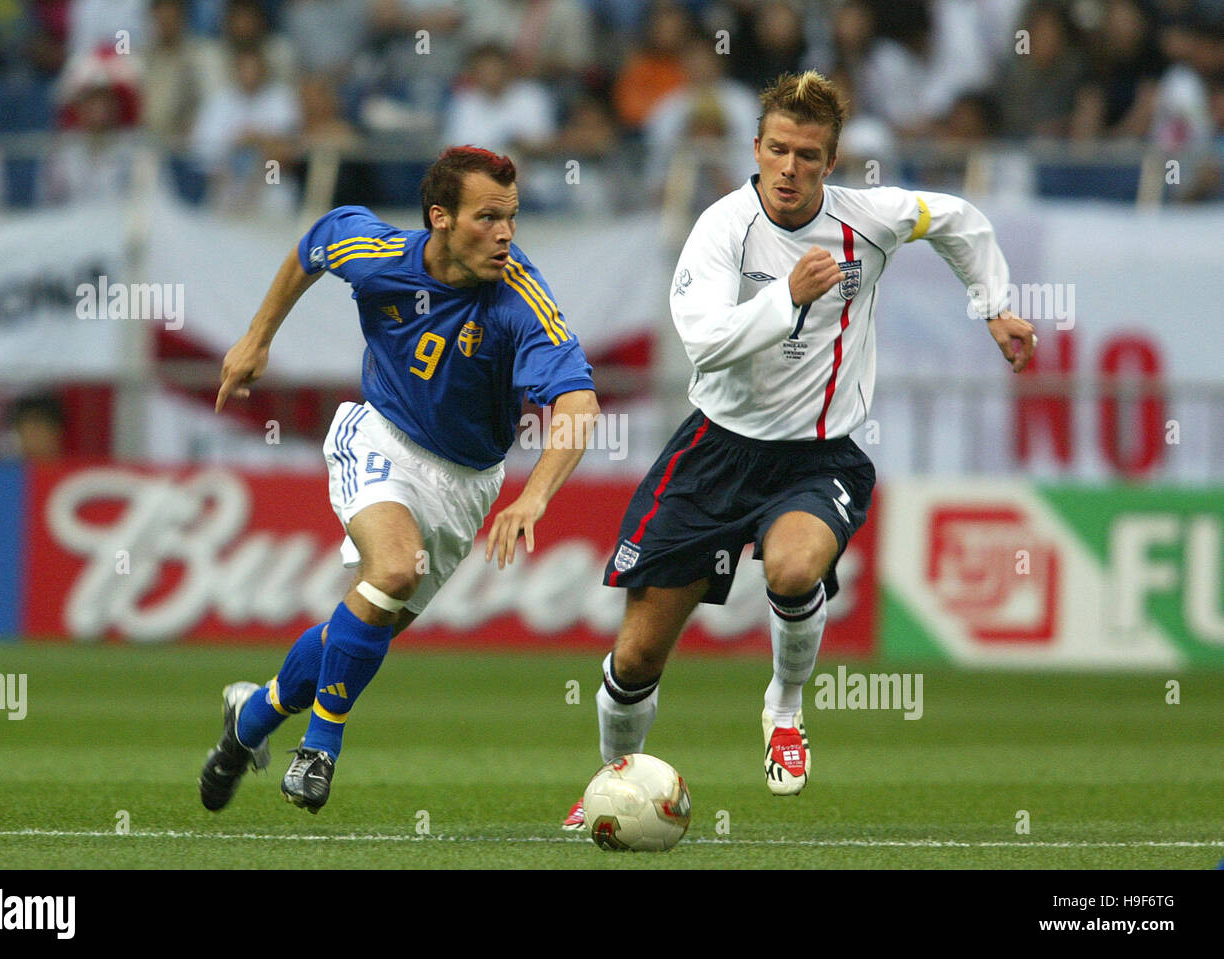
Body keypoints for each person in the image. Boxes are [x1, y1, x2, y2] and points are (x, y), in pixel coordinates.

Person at [562, 70, 1036, 829]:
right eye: (778, 150)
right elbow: (704, 343)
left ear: (831, 162)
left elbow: (956, 219)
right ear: (756, 148)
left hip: (819, 457)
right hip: (715, 453)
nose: (790, 168)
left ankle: (783, 706)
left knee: (792, 566)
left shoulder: (868, 221)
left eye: (808, 156)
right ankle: (607, 788)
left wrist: (996, 307)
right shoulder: (723, 228)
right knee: (636, 660)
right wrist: (788, 297)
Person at [202, 145, 600, 814]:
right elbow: (314, 244)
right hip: (379, 433)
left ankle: (250, 719)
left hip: (467, 483)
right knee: (392, 570)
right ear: (440, 218)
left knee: (361, 624)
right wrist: (257, 337)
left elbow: (579, 403)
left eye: (512, 217)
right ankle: (320, 748)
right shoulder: (379, 252)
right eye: (487, 217)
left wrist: (533, 496)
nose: (504, 235)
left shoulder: (519, 297)